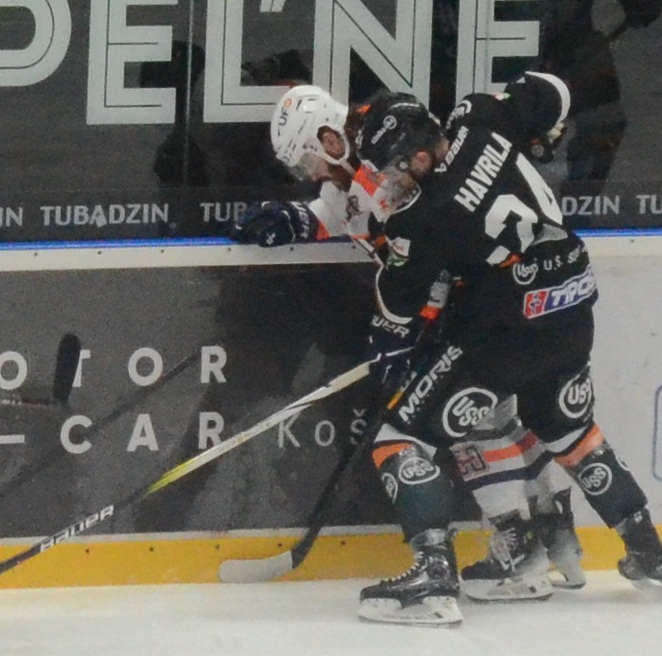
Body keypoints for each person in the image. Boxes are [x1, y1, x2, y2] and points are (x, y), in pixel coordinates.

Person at [231, 84, 587, 606]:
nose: (312, 174)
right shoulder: (357, 171)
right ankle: (551, 539)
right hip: (471, 315)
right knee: (491, 422)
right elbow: (340, 212)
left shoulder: (394, 160)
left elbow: (425, 245)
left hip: (473, 313)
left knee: (476, 425)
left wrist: (402, 326)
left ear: (330, 139)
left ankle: (532, 545)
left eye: (309, 161)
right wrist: (294, 219)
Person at [348, 72, 662, 625]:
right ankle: (649, 551)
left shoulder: (424, 217)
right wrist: (542, 136)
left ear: (418, 156)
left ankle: (432, 578)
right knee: (569, 430)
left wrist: (392, 246)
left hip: (501, 337)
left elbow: (398, 306)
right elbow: (553, 90)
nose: (389, 182)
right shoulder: (479, 118)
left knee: (398, 438)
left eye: (393, 169)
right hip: (570, 307)